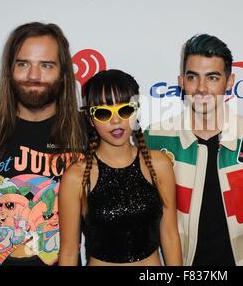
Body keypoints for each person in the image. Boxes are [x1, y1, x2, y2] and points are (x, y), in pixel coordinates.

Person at [145, 34, 243, 266]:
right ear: (181, 81)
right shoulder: (155, 138)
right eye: (193, 77)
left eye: (212, 77)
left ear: (229, 81)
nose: (201, 88)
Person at [0, 22, 86, 266]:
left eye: (46, 65)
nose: (34, 76)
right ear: (10, 69)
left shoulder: (85, 130)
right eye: (23, 64)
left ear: (63, 72)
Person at [58, 70, 182, 266]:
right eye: (103, 113)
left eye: (125, 110)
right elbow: (68, 252)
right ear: (91, 120)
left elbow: (170, 236)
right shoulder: (76, 176)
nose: (115, 120)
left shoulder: (159, 165)